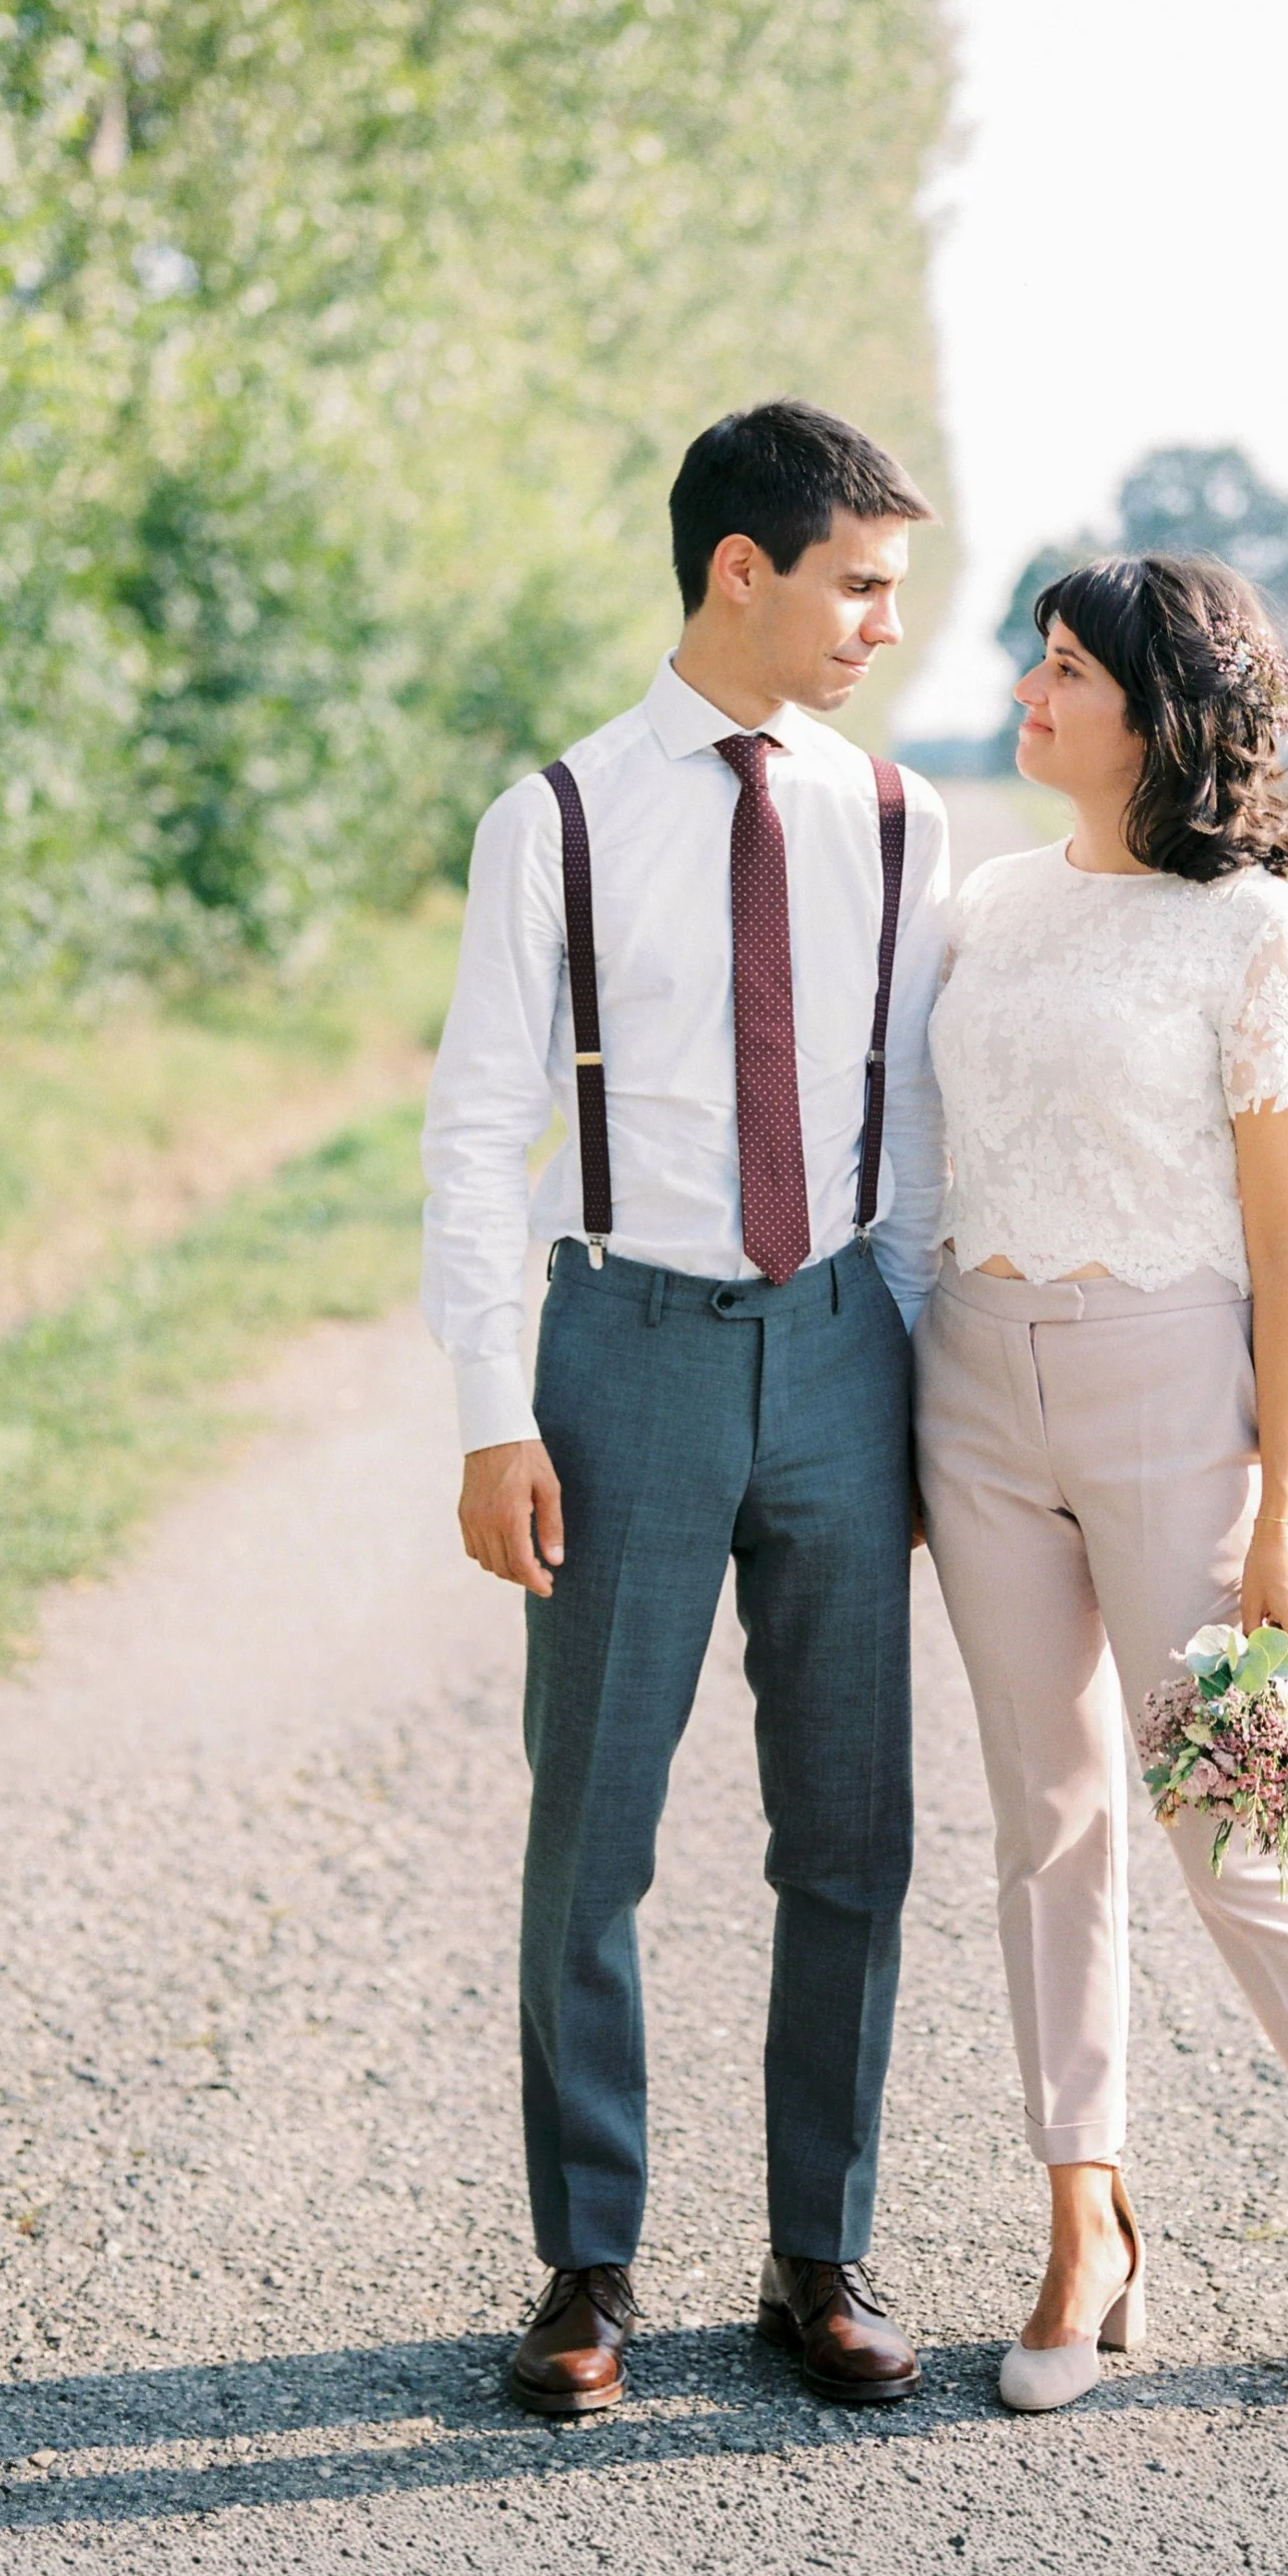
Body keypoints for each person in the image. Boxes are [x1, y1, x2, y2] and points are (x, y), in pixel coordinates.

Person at [914, 551, 1288, 2419]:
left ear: (1160, 714)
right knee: (1045, 1822)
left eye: (1067, 668)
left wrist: (1286, 1516)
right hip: (971, 1387)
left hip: (1172, 1391)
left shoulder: (1269, 942)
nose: (1030, 690)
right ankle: (1084, 2222)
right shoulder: (991, 902)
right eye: (1035, 658)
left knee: (1232, 1822)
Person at [421, 398, 949, 2417]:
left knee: (852, 1829)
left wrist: (925, 1400)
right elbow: (475, 1128)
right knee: (593, 1830)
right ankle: (587, 2265)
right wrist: (494, 1408)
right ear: (743, 567)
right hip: (619, 1353)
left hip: (841, 1348)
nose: (885, 624)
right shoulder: (552, 816)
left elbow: (917, 1140)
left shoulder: (893, 817)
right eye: (860, 584)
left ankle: (823, 2251)